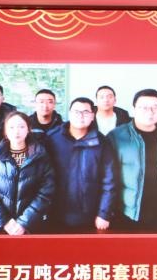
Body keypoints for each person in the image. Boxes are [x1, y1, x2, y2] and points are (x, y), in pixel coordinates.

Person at [107, 89, 157, 231]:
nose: (150, 112)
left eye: (155, 107)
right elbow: (107, 176)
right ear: (133, 110)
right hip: (128, 211)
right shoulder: (117, 137)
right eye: (144, 107)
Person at [46, 97, 115, 232]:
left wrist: (104, 213)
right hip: (54, 212)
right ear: (69, 114)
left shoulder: (102, 143)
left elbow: (109, 181)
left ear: (92, 116)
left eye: (85, 112)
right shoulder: (52, 138)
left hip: (90, 214)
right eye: (76, 112)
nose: (81, 116)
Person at [0, 112, 55, 235]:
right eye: (11, 127)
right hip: (0, 227)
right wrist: (4, 222)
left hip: (32, 226)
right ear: (5, 131)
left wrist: (24, 223)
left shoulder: (41, 157)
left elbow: (46, 192)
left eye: (21, 126)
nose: (16, 131)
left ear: (29, 129)